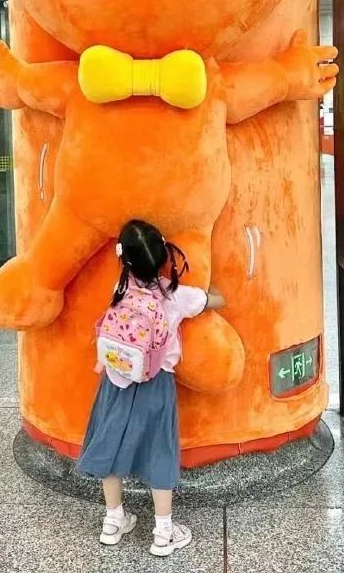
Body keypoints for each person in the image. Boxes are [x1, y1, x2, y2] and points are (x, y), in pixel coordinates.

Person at [77, 219, 225, 557]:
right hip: (156, 383)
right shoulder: (175, 295)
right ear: (163, 256)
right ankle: (163, 532)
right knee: (161, 449)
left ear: (123, 259)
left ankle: (113, 521)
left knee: (109, 441)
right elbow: (218, 300)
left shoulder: (119, 288)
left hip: (115, 380)